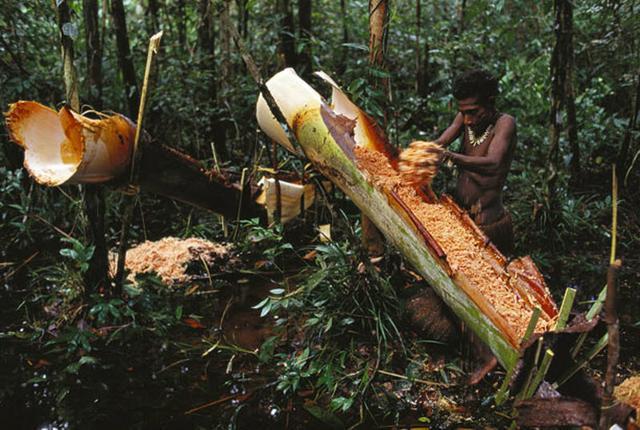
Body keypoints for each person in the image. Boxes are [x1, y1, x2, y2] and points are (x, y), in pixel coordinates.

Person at [434, 69, 517, 256]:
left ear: (490, 102)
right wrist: (418, 153)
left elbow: (494, 163)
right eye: (462, 113)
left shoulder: (504, 123)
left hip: (488, 224)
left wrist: (451, 157)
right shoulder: (464, 117)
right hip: (461, 216)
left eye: (473, 112)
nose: (467, 120)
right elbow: (440, 143)